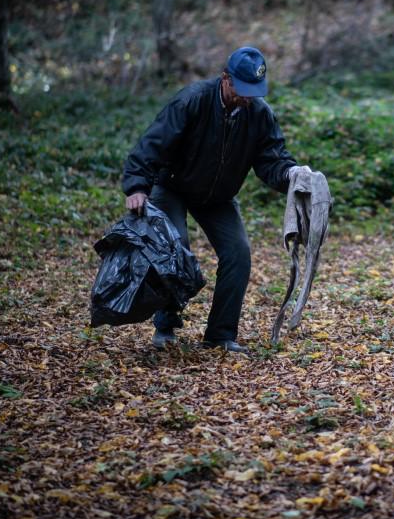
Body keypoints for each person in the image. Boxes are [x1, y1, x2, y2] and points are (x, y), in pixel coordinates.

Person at [122, 46, 307, 352]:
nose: (248, 98)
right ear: (226, 79)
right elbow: (152, 143)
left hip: (219, 195)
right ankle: (166, 326)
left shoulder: (259, 114)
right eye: (243, 90)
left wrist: (292, 175)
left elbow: (272, 160)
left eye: (254, 91)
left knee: (238, 253)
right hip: (173, 186)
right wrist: (137, 187)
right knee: (174, 248)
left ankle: (220, 335)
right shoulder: (192, 100)